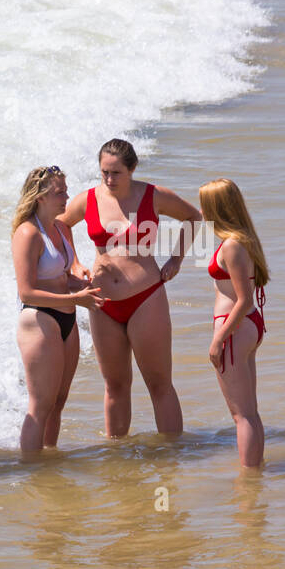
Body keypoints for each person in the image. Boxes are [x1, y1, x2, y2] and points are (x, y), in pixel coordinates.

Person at [58, 138, 203, 437]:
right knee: (115, 386)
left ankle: (172, 460)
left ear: (132, 169)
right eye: (104, 173)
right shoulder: (88, 199)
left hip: (145, 297)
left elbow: (194, 216)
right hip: (101, 302)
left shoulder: (154, 195)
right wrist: (73, 263)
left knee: (159, 384)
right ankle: (117, 465)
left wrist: (176, 259)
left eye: (116, 173)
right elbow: (60, 224)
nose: (109, 179)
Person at [11, 166, 103, 454]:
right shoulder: (28, 233)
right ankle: (31, 471)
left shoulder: (60, 228)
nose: (66, 197)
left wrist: (83, 283)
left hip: (67, 316)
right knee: (40, 405)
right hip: (40, 319)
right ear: (39, 197)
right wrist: (77, 299)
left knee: (59, 401)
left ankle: (49, 462)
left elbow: (62, 274)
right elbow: (26, 291)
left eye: (65, 190)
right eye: (58, 192)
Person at [199, 178, 269, 469]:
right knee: (250, 412)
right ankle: (256, 473)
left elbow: (243, 299)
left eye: (205, 206)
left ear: (217, 207)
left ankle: (248, 482)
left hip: (235, 328)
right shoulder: (242, 240)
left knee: (241, 415)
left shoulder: (231, 246)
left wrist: (218, 339)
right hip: (246, 327)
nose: (201, 213)